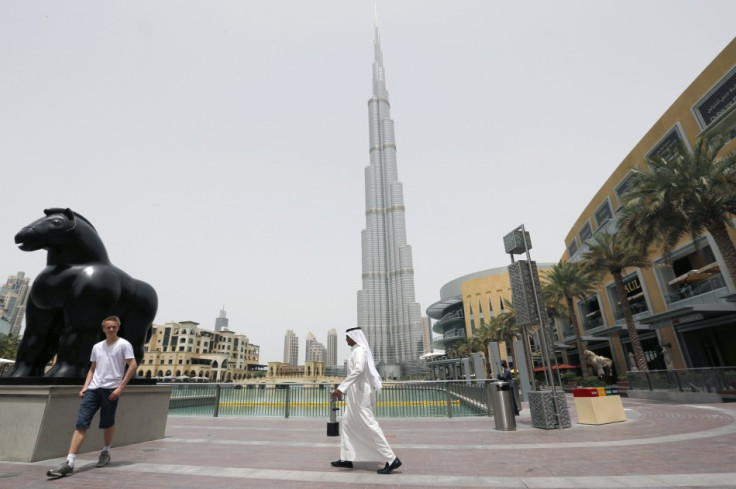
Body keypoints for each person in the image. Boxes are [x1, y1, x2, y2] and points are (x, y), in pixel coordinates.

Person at [46, 316, 137, 477]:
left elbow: (133, 365)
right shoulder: (97, 347)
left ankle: (106, 451)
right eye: (108, 327)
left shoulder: (124, 345)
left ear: (118, 328)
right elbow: (93, 368)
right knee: (81, 423)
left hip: (111, 390)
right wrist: (85, 387)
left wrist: (120, 388)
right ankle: (70, 462)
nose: (111, 329)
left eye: (114, 327)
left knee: (107, 423)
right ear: (103, 329)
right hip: (93, 389)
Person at [330, 327, 402, 475]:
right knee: (348, 424)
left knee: (370, 425)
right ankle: (347, 457)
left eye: (347, 337)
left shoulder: (360, 350)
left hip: (361, 394)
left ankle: (391, 458)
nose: (346, 340)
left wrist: (341, 388)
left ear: (354, 337)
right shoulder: (356, 350)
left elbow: (358, 370)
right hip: (354, 394)